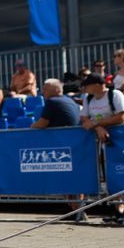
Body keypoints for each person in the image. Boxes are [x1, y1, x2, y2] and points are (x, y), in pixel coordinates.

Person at [79, 74, 124, 224]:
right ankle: (118, 210)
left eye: (87, 85)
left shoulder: (115, 95)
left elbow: (121, 117)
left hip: (119, 141)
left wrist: (96, 124)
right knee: (108, 178)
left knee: (121, 174)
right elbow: (84, 119)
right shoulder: (88, 99)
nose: (85, 89)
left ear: (96, 85)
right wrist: (99, 127)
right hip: (101, 142)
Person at [31, 79, 84, 221]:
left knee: (68, 180)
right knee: (74, 180)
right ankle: (76, 209)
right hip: (73, 145)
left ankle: (75, 209)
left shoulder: (53, 102)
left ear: (54, 90)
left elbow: (42, 123)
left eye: (46, 89)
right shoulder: (70, 101)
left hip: (63, 148)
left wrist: (30, 128)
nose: (43, 92)